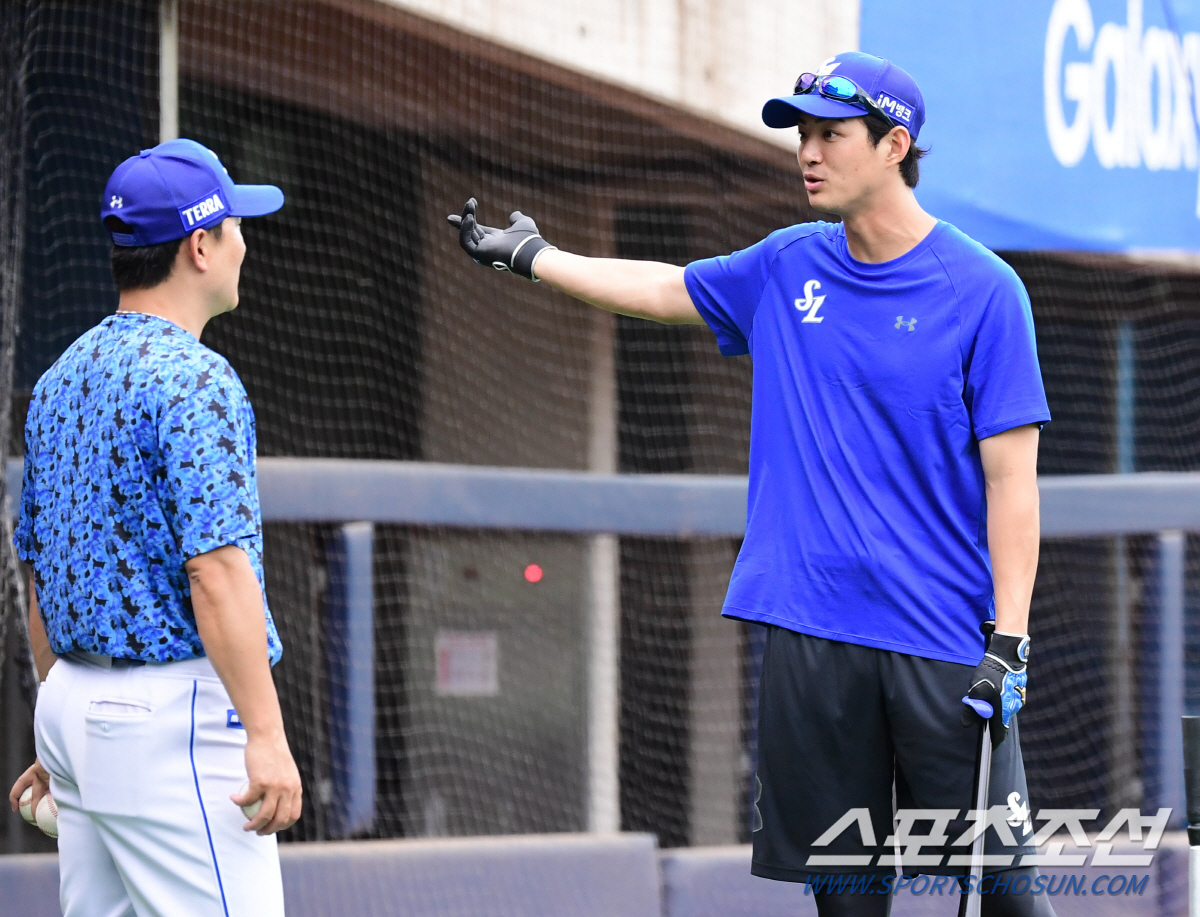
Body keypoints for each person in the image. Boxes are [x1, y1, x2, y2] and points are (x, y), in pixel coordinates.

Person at [448, 52, 1054, 917]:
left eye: (831, 135)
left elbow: (1013, 484)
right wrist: (536, 256)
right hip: (809, 633)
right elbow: (664, 289)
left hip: (946, 646)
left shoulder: (988, 292)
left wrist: (1011, 637)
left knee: (1008, 895)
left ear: (894, 146)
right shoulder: (786, 264)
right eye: (801, 134)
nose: (807, 152)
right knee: (846, 899)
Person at [7, 138, 301, 917]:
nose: (244, 240)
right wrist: (266, 735)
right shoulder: (195, 375)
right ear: (200, 245)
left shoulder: (60, 377)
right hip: (171, 719)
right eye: (234, 224)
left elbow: (44, 572)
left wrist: (58, 720)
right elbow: (218, 570)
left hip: (71, 705)